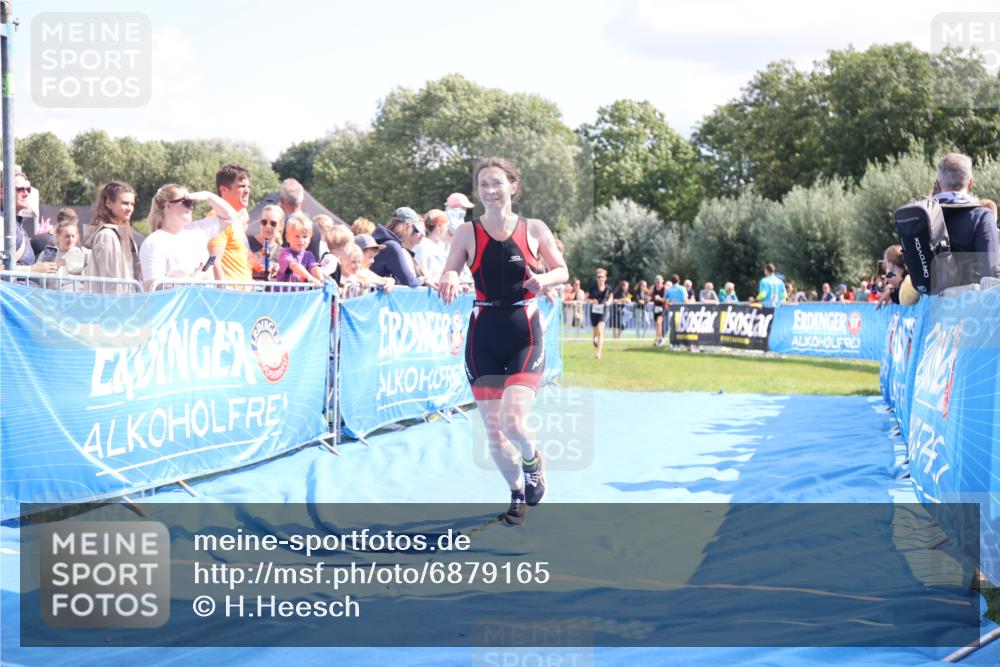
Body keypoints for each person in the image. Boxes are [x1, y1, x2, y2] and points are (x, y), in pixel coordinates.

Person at [436, 157, 567, 525]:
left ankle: (533, 460)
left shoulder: (534, 228)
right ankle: (516, 494)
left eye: (497, 183)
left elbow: (562, 269)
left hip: (523, 332)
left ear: (512, 186)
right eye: (483, 185)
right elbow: (451, 267)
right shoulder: (466, 233)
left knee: (513, 421)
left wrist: (547, 280)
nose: (490, 191)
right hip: (483, 336)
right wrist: (447, 277)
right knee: (494, 433)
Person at [139, 185, 239, 290]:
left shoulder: (197, 230)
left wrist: (208, 196)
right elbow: (152, 284)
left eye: (193, 202)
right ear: (168, 206)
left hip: (202, 303)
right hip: (176, 305)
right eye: (186, 202)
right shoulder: (154, 242)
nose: (191, 206)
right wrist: (192, 280)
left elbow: (230, 217)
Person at [927, 153, 1000, 285]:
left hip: (928, 301)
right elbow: (991, 271)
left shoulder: (923, 215)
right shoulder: (982, 216)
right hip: (968, 301)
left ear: (937, 184)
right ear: (970, 183)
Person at [86, 181, 138, 292]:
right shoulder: (107, 236)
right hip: (113, 303)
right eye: (125, 203)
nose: (130, 208)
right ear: (109, 203)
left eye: (132, 204)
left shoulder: (120, 232)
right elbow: (111, 281)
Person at [207, 164, 253, 283]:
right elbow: (213, 261)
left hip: (242, 293)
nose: (247, 191)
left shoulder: (237, 219)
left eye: (248, 186)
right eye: (241, 186)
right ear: (223, 190)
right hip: (229, 295)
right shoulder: (218, 218)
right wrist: (223, 293)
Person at [371, 207, 426, 288]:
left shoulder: (382, 241)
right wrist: (422, 280)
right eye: (415, 230)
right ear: (408, 225)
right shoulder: (392, 246)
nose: (414, 233)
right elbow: (410, 282)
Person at [278, 178, 323, 258]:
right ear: (303, 200)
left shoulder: (279, 227)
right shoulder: (314, 227)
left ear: (281, 201)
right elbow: (315, 260)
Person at [275, 214, 324, 286]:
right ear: (287, 238)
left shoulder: (308, 255)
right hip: (283, 295)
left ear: (310, 239)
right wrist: (310, 277)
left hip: (300, 294)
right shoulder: (285, 253)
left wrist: (322, 280)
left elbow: (314, 268)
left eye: (305, 237)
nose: (301, 240)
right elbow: (294, 266)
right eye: (297, 236)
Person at [248, 204, 284, 280]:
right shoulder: (247, 242)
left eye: (273, 223)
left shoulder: (283, 252)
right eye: (264, 222)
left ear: (280, 225)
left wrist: (278, 270)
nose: (268, 226)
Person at [414, 208, 450, 283]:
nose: (447, 229)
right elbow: (423, 275)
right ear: (439, 226)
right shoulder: (422, 246)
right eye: (446, 226)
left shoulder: (443, 246)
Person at [650, 274, 667, 346]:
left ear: (662, 281)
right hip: (655, 308)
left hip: (663, 308)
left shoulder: (665, 288)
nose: (658, 283)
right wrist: (648, 297)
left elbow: (666, 300)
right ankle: (660, 338)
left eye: (659, 282)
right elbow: (649, 295)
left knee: (659, 322)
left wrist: (659, 298)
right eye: (657, 282)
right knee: (657, 324)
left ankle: (659, 339)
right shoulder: (653, 287)